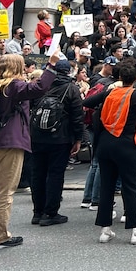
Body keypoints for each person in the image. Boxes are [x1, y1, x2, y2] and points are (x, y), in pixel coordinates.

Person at [0, 51, 61, 250]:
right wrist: (51, 66)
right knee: (4, 192)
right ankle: (0, 236)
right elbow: (40, 87)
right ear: (17, 67)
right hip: (8, 143)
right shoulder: (14, 86)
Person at [82, 59, 136, 245]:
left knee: (106, 186)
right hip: (126, 144)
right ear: (135, 77)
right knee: (130, 186)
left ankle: (105, 230)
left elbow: (87, 102)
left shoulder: (110, 92)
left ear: (119, 77)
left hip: (105, 144)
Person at [29, 59, 85, 226]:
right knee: (55, 174)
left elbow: (31, 107)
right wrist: (78, 139)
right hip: (60, 137)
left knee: (37, 173)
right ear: (69, 72)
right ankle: (50, 212)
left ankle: (37, 212)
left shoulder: (41, 85)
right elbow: (77, 117)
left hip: (37, 136)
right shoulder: (71, 89)